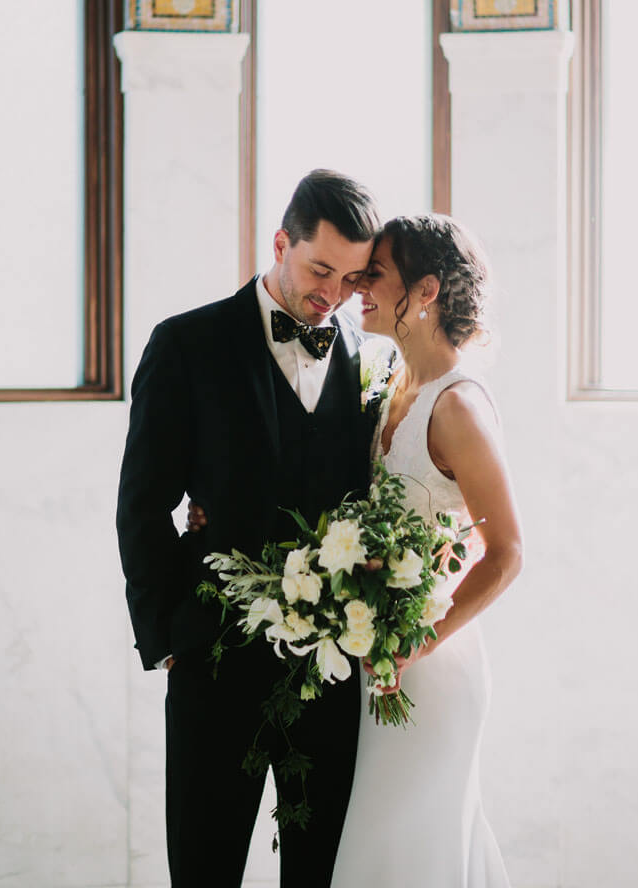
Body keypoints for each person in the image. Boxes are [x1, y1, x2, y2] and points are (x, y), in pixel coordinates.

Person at [116, 169, 381, 888]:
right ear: (280, 243)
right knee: (204, 868)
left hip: (328, 673)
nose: (332, 294)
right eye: (319, 268)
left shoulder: (371, 362)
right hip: (215, 665)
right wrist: (168, 636)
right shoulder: (186, 344)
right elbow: (142, 503)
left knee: (318, 872)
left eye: (353, 279)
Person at [330, 213, 523, 887]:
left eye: (375, 273)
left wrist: (421, 642)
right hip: (377, 662)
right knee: (378, 852)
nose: (357, 284)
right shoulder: (390, 386)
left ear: (427, 291)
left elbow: (507, 552)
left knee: (411, 847)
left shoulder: (459, 406)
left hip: (432, 673)